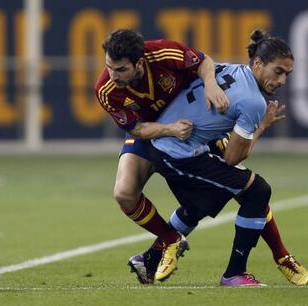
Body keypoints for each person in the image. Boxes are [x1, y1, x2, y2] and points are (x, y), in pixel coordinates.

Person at [131, 29, 307, 286]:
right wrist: (261, 127)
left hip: (168, 143)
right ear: (258, 64)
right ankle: (235, 273)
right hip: (176, 153)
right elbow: (232, 158)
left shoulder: (230, 69)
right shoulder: (254, 103)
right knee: (256, 190)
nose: (282, 80)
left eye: (287, 75)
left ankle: (148, 260)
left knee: (202, 205)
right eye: (278, 71)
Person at [95, 29, 230, 282]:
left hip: (196, 126)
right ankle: (170, 240)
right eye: (109, 67)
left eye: (121, 69)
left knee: (233, 183)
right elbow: (135, 128)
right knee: (124, 193)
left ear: (139, 62)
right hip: (154, 131)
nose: (113, 75)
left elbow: (204, 61)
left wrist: (211, 85)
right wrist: (169, 129)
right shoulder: (106, 89)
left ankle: (247, 266)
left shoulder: (163, 52)